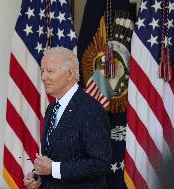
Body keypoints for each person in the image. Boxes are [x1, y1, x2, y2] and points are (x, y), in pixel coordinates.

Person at [23, 47, 111, 189]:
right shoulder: (52, 109)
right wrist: (38, 176)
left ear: (69, 74)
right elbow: (54, 157)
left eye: (50, 71)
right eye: (42, 71)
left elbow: (100, 164)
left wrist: (53, 169)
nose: (43, 77)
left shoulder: (91, 109)